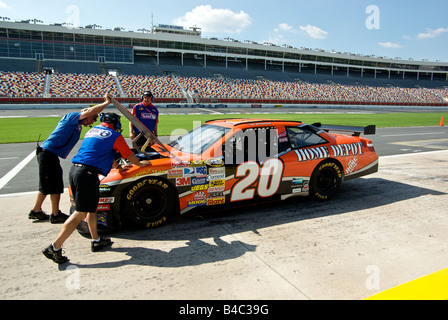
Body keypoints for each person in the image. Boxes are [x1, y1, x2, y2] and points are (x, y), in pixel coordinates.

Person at [42, 112, 151, 264]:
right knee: (80, 213)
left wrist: (118, 166)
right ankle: (54, 247)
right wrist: (141, 164)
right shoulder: (113, 135)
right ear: (115, 123)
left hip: (76, 171)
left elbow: (103, 152)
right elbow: (128, 155)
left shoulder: (92, 131)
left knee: (91, 209)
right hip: (87, 174)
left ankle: (96, 240)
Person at [29, 93, 112, 224]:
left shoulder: (78, 125)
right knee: (48, 184)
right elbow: (91, 110)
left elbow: (90, 114)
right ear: (87, 115)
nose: (90, 123)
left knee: (54, 184)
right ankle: (43, 211)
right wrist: (106, 103)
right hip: (47, 153)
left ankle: (46, 212)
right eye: (91, 120)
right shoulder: (72, 117)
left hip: (51, 154)